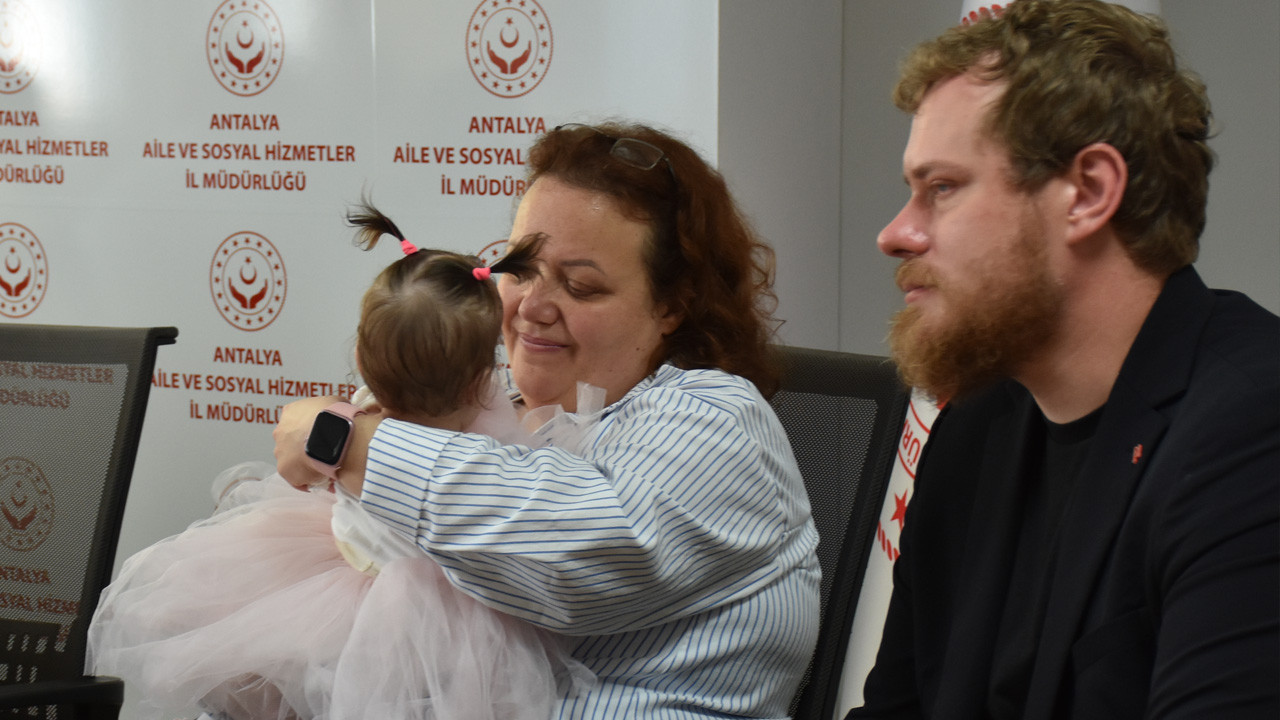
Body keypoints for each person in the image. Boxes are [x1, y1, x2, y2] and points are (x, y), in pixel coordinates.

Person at [271, 122, 821, 718]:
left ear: (671, 307)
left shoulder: (719, 420)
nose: (531, 308)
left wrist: (345, 443)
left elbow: (574, 554)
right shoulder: (490, 400)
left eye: (580, 286)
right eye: (519, 269)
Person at [849, 1, 1279, 718]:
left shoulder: (1253, 432)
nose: (895, 234)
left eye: (942, 188)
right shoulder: (976, 425)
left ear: (1088, 193)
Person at [87, 203, 595, 720]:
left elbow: (300, 474)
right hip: (444, 620)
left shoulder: (349, 418)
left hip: (333, 576)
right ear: (480, 380)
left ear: (361, 358)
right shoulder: (488, 442)